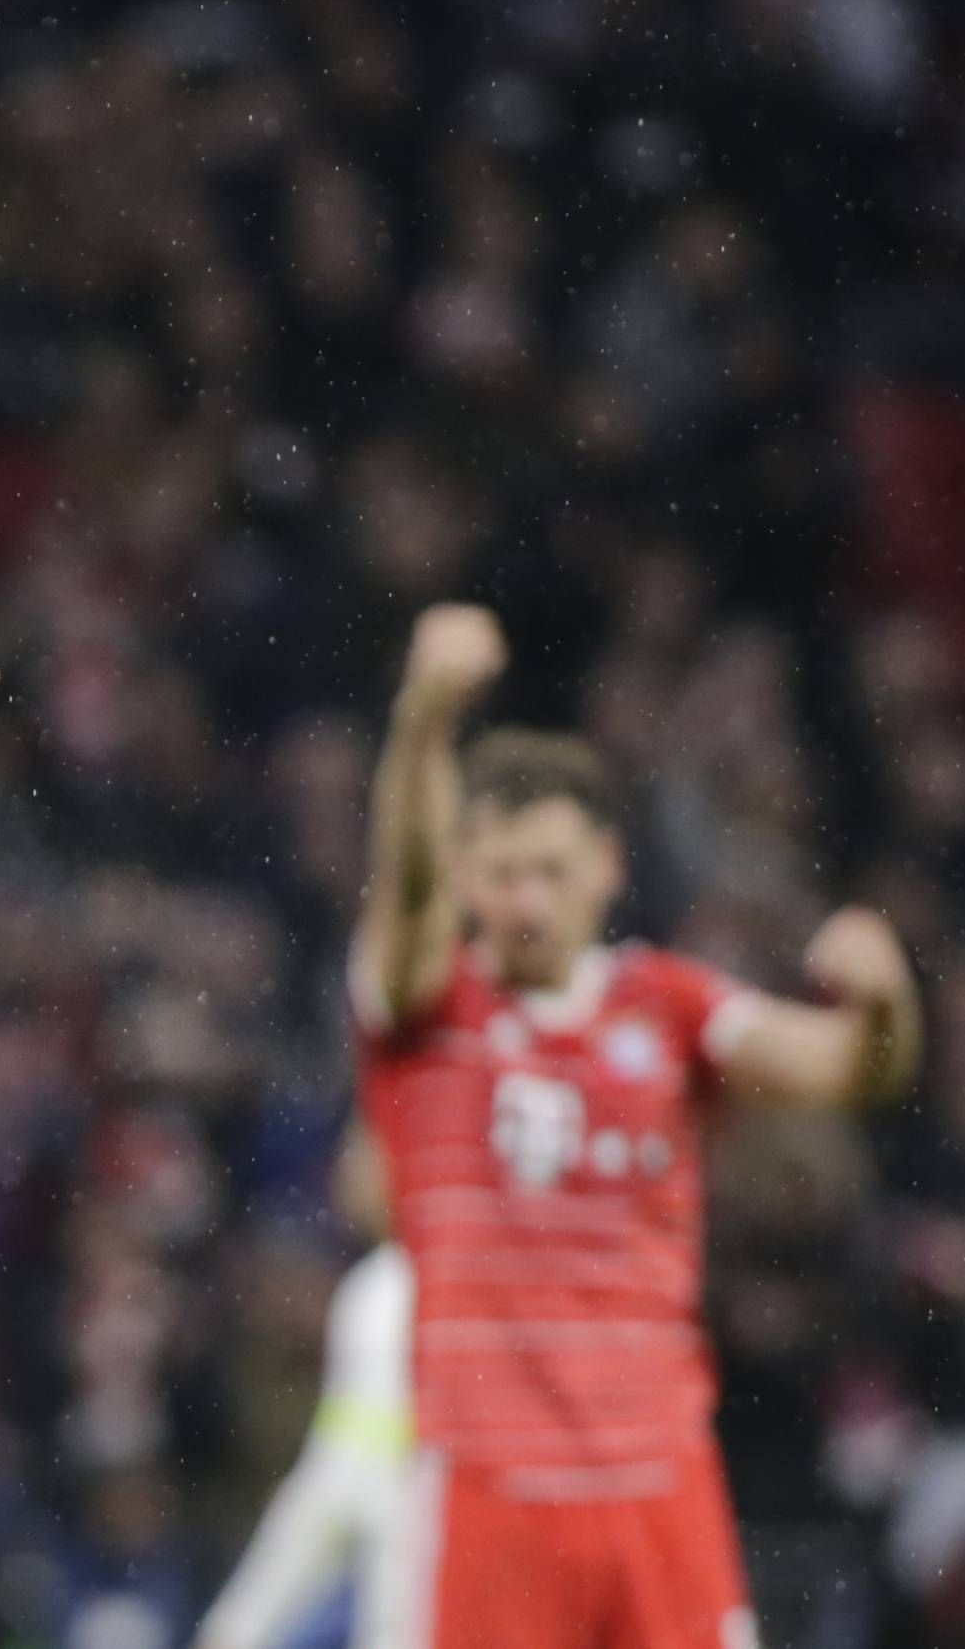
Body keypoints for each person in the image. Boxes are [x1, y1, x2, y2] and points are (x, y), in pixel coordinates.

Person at [350, 603, 923, 1649]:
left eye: (553, 869)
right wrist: (426, 720)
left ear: (609, 866)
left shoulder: (669, 1006)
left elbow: (847, 1071)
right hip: (490, 1490)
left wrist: (884, 1002)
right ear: (465, 873)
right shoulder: (426, 1012)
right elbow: (409, 890)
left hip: (660, 1485)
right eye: (501, 870)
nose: (525, 899)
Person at [197, 1133, 414, 1649]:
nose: (346, 1173)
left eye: (361, 1155)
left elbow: (349, 1491)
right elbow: (336, 1476)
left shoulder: (404, 1293)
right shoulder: (373, 1290)